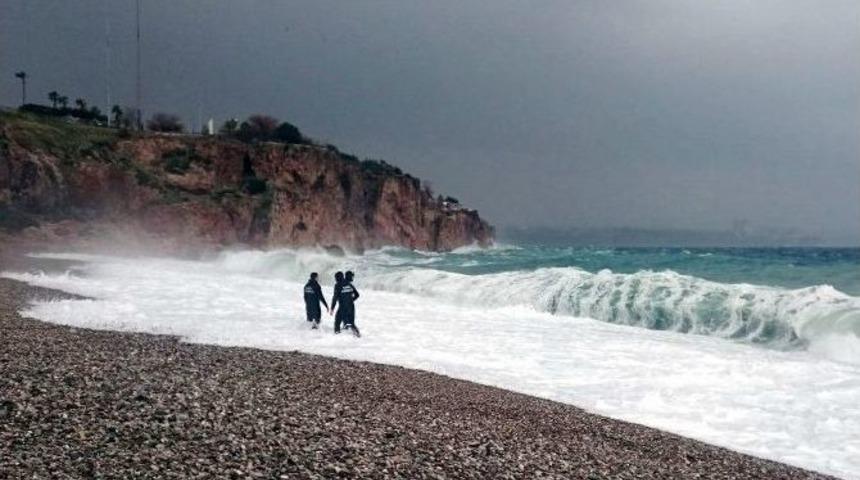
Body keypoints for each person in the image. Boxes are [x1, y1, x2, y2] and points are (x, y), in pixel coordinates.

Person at [331, 270, 360, 336]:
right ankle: (358, 335)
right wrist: (350, 300)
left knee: (337, 321)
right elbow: (357, 295)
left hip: (343, 307)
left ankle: (337, 334)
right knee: (352, 323)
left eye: (335, 278)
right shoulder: (349, 284)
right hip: (351, 306)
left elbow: (335, 297)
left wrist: (332, 308)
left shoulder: (337, 285)